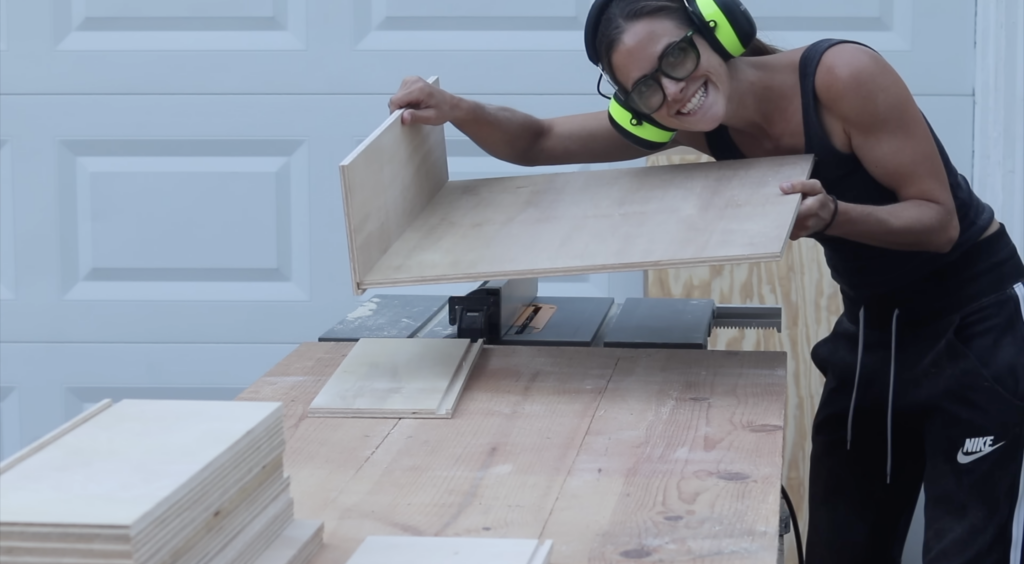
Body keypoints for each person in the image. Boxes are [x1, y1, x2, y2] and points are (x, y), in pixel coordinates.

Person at [387, 0, 1024, 562]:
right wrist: (456, 108)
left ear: (716, 26)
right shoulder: (692, 123)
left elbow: (938, 223)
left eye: (678, 56)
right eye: (645, 89)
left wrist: (833, 213)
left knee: (965, 547)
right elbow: (540, 139)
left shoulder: (843, 76)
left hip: (971, 329)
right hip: (874, 330)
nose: (673, 90)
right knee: (842, 545)